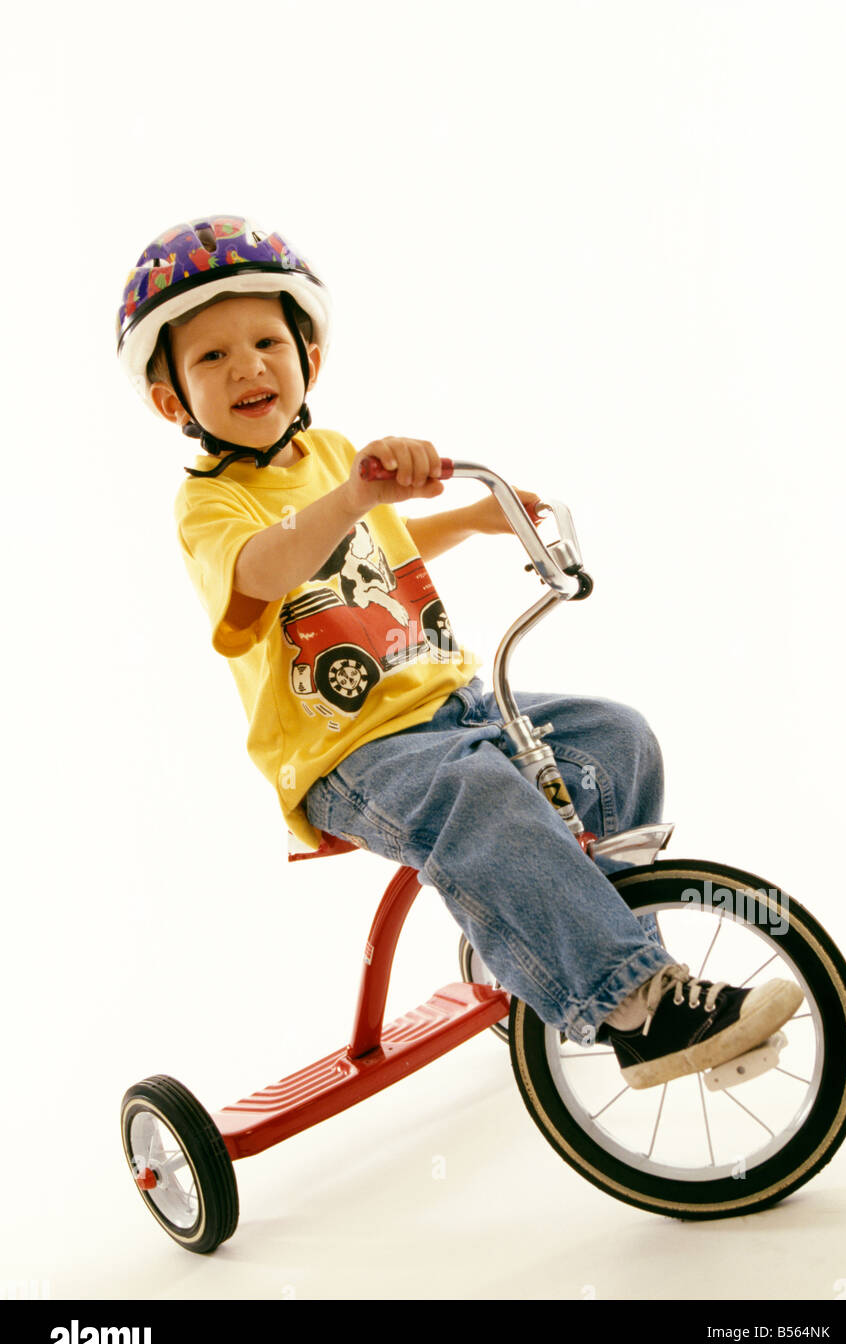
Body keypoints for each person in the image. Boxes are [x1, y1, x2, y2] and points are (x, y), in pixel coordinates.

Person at [116, 214, 802, 1088]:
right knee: (480, 794)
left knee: (615, 737)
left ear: (308, 360)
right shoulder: (209, 510)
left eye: (264, 342)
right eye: (211, 358)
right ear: (175, 402)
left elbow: (378, 550)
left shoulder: (327, 452)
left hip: (454, 705)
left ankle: (638, 970)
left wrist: (476, 519)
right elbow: (265, 572)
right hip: (350, 754)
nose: (248, 365)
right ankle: (632, 999)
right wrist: (358, 491)